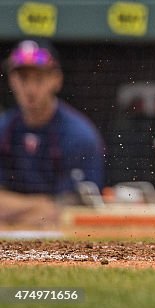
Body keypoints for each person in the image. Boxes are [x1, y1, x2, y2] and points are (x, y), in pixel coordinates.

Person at [0, 41, 104, 229]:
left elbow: (73, 209)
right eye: (23, 79)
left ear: (56, 80)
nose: (30, 89)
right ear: (12, 81)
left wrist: (13, 213)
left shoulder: (79, 135)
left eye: (38, 78)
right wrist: (37, 206)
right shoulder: (4, 128)